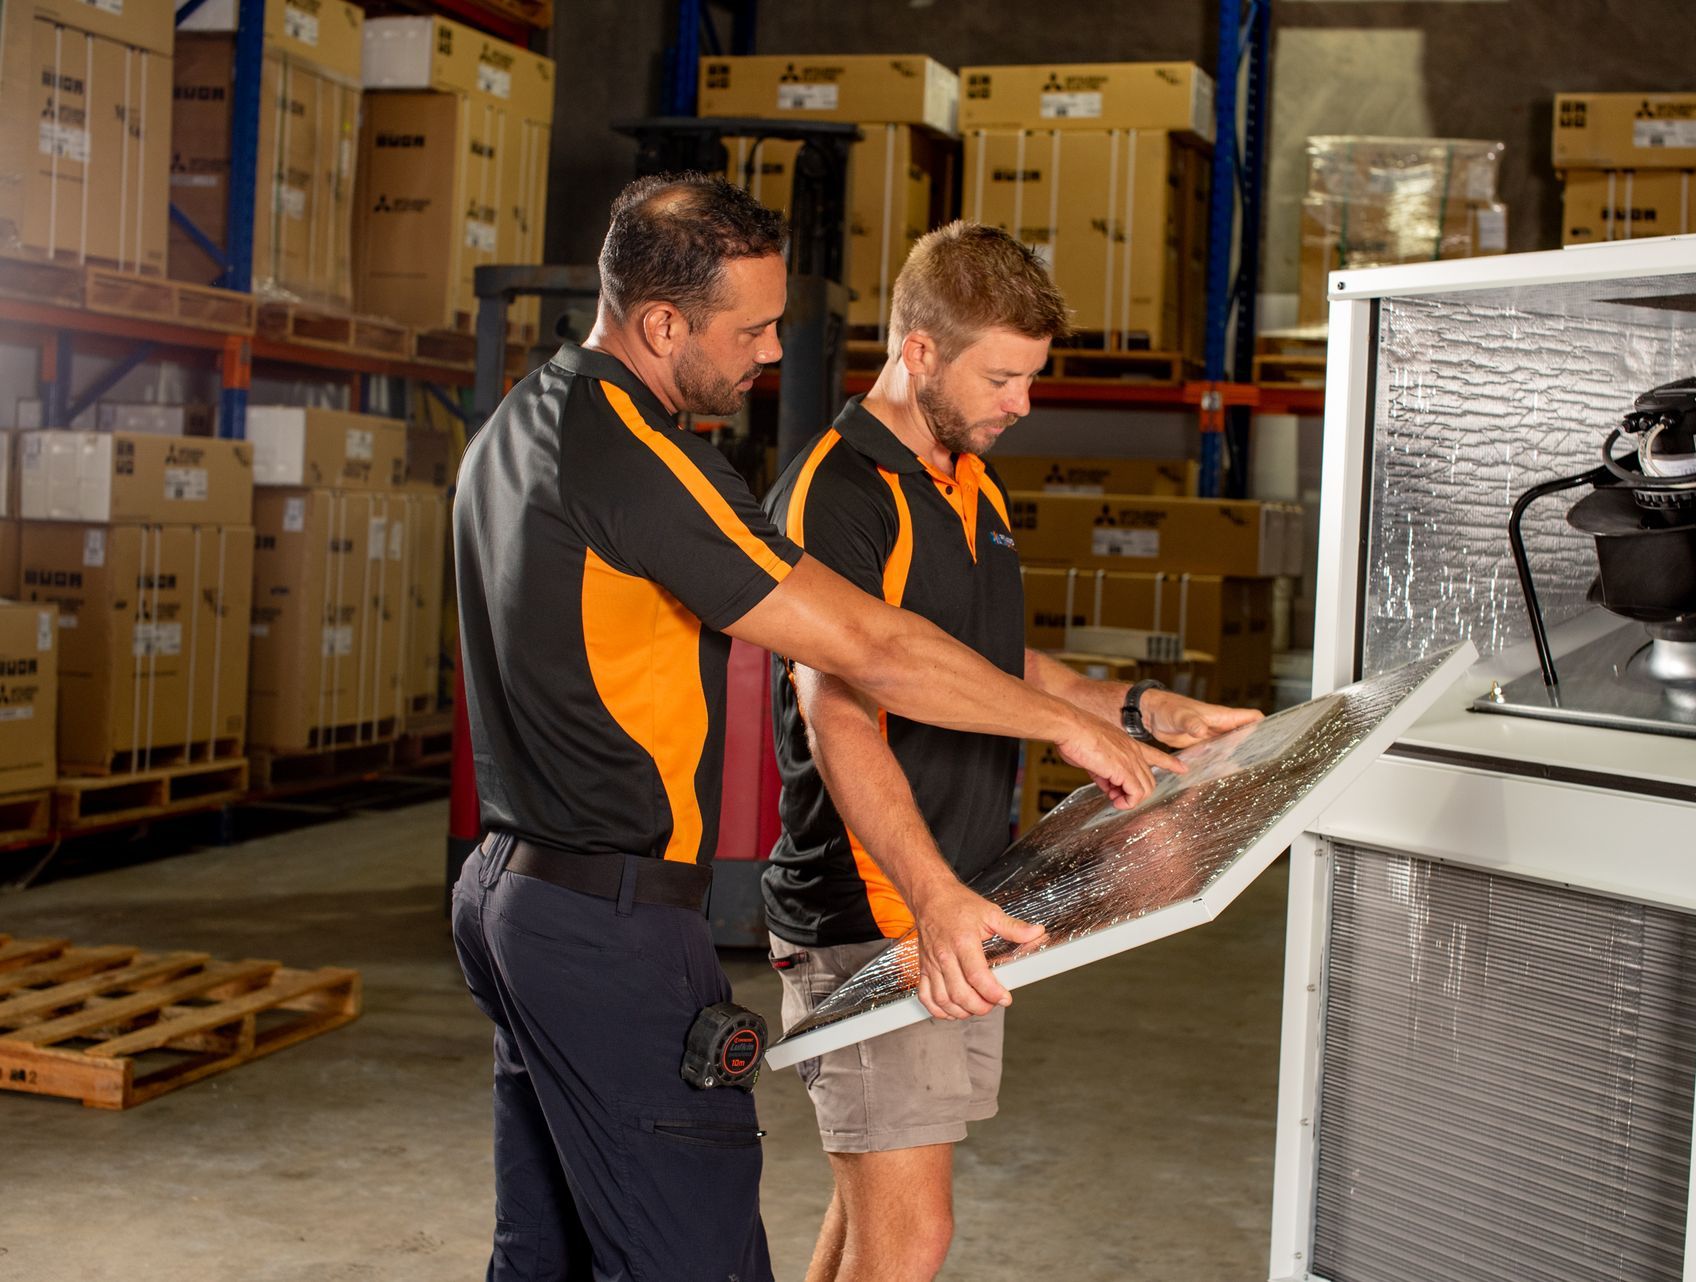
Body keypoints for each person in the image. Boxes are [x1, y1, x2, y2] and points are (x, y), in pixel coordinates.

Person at [449, 178, 1179, 1282]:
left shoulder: (526, 417)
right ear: (660, 325)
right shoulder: (636, 458)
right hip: (608, 914)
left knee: (544, 1251)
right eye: (749, 330)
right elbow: (863, 652)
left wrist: (1103, 703)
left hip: (516, 891)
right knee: (694, 1255)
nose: (774, 353)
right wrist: (1062, 726)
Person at [762, 221, 1264, 1282]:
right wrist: (932, 894)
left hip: (958, 903)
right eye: (1003, 377)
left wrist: (1131, 705)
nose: (1022, 404)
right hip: (884, 915)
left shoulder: (969, 484)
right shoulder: (840, 493)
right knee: (911, 1239)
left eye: (1031, 378)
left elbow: (991, 660)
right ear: (919, 351)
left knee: (872, 1219)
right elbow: (837, 711)